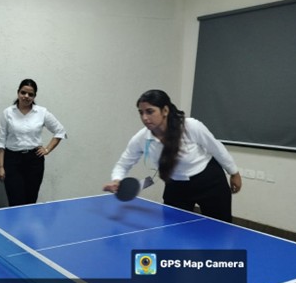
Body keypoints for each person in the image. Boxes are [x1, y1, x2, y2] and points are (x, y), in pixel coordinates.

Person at [103, 89, 242, 222]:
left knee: (220, 228)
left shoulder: (191, 126)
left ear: (165, 110)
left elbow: (216, 148)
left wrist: (234, 172)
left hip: (209, 181)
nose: (144, 118)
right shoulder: (141, 138)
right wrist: (117, 179)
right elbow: (123, 164)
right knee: (173, 229)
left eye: (150, 111)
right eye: (141, 113)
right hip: (176, 186)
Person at [0, 79, 66, 206]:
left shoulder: (42, 112)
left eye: (30, 94)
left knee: (31, 199)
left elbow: (60, 131)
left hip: (34, 161)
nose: (26, 96)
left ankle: (28, 220)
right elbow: (0, 141)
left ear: (34, 96)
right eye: (23, 92)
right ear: (18, 92)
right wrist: (0, 167)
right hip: (12, 161)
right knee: (15, 200)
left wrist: (47, 149)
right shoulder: (7, 113)